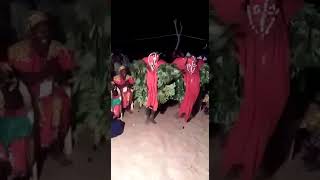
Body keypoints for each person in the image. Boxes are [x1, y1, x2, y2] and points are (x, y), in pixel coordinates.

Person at [212, 0, 304, 180]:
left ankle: (244, 165)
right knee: (252, 114)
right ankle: (242, 166)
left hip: (274, 52)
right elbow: (228, 15)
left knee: (268, 108)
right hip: (252, 55)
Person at [7, 11, 75, 165]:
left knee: (61, 101)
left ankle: (55, 147)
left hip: (50, 89)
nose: (45, 33)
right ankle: (36, 150)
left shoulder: (56, 48)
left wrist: (56, 70)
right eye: (40, 29)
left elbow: (64, 75)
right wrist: (45, 71)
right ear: (31, 32)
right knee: (37, 107)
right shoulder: (19, 51)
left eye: (47, 29)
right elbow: (20, 78)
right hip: (27, 91)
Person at [0, 66, 33, 180]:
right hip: (7, 117)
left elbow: (28, 102)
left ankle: (19, 170)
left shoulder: (19, 85)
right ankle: (9, 165)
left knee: (17, 142)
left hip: (18, 117)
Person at [172, 53, 204, 128]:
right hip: (189, 84)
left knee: (190, 101)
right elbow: (176, 64)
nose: (192, 61)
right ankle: (182, 114)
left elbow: (176, 63)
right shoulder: (189, 63)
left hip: (194, 85)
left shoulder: (197, 64)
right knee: (186, 100)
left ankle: (185, 115)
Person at [142, 52, 166, 124]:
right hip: (148, 89)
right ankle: (147, 117)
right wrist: (145, 87)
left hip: (156, 89)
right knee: (147, 103)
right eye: (152, 60)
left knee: (155, 104)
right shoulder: (145, 67)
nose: (153, 62)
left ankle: (152, 117)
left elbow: (163, 76)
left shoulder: (159, 66)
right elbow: (143, 79)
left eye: (155, 61)